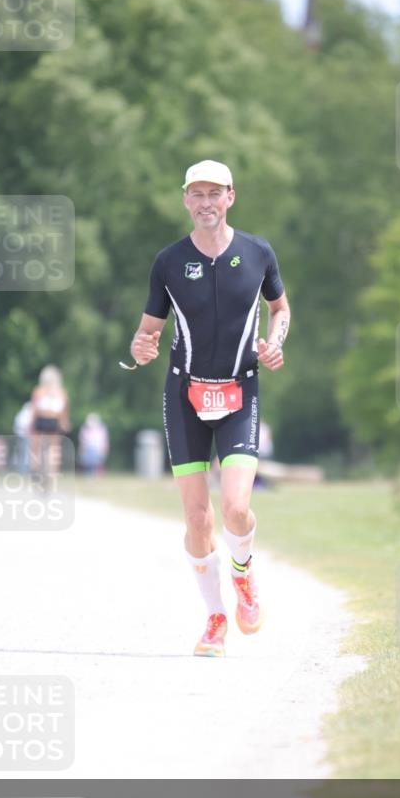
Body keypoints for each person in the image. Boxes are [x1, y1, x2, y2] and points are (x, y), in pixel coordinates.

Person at [129, 160, 290, 658]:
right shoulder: (169, 262)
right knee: (198, 519)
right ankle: (216, 617)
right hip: (185, 397)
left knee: (236, 508)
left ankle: (243, 574)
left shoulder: (258, 253)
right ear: (185, 200)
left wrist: (275, 343)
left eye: (213, 193)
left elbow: (280, 309)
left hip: (240, 392)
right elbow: (147, 331)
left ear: (230, 197)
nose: (205, 203)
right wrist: (140, 348)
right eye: (196, 194)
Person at [29, 365, 70, 478]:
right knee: (54, 447)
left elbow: (34, 409)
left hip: (41, 419)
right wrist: (64, 423)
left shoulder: (39, 391)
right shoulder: (62, 393)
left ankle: (35, 468)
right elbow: (64, 412)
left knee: (36, 446)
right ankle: (53, 471)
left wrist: (31, 423)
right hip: (54, 420)